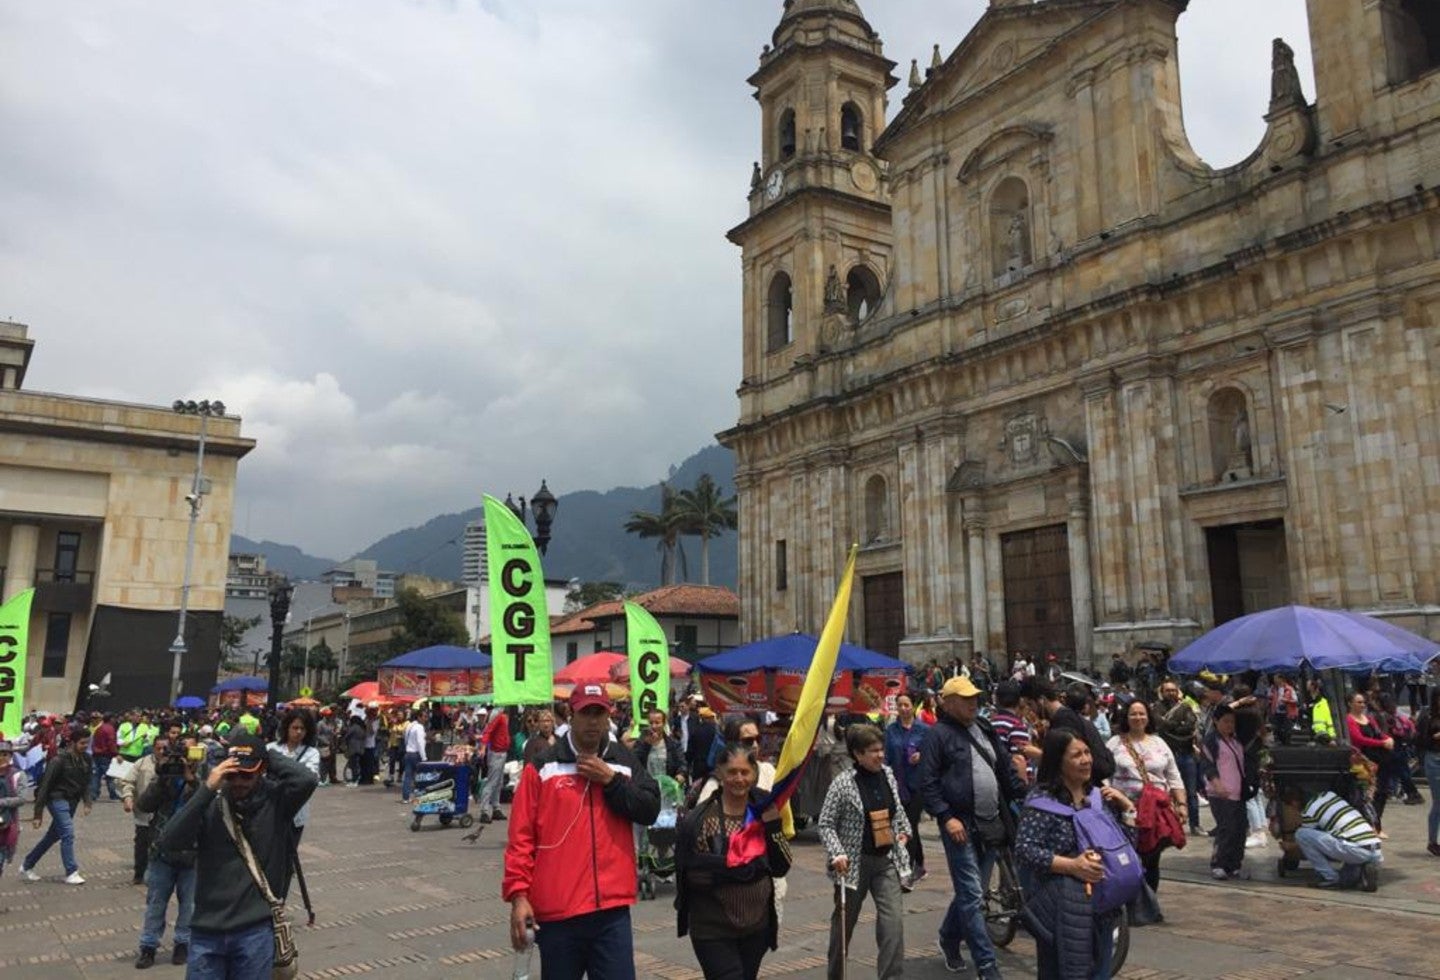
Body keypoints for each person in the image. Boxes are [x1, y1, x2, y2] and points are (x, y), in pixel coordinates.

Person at [502, 683, 661, 979]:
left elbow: (650, 808)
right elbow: (521, 838)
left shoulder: (621, 760)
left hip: (611, 913)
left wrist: (611, 781)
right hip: (558, 914)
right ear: (571, 714)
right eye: (586, 712)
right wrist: (519, 896)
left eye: (599, 713)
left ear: (608, 716)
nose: (593, 721)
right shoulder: (542, 767)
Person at [156, 731, 318, 978]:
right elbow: (169, 841)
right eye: (233, 774)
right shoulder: (210, 802)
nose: (239, 781)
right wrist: (207, 787)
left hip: (254, 930)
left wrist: (263, 751)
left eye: (247, 774)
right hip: (206, 931)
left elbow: (306, 779)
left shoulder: (276, 801)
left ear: (261, 770)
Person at [919, 676, 1026, 979]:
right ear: (948, 702)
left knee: (972, 892)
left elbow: (1004, 769)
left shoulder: (985, 728)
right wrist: (945, 815)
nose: (973, 703)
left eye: (975, 698)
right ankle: (987, 967)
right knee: (971, 894)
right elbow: (927, 782)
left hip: (991, 821)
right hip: (960, 824)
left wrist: (1024, 794)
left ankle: (948, 938)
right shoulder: (937, 736)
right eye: (965, 699)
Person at [1015, 727, 1137, 979]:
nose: (1086, 760)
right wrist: (1071, 865)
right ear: (1058, 762)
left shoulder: (1098, 796)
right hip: (1062, 907)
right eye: (1076, 755)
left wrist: (1128, 809)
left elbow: (1125, 844)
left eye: (1087, 752)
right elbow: (1025, 850)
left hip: (1102, 905)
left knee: (1099, 970)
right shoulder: (1042, 801)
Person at [675, 742, 791, 980]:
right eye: (732, 772)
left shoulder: (764, 810)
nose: (739, 779)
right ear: (720, 773)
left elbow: (781, 865)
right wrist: (739, 867)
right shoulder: (700, 819)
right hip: (713, 929)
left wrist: (771, 827)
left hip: (756, 927)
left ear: (755, 774)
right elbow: (693, 875)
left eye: (745, 772)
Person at [818, 724, 911, 980]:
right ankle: (836, 975)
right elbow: (825, 823)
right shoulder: (842, 783)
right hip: (852, 865)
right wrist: (837, 853)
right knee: (843, 929)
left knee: (893, 926)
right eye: (873, 751)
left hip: (886, 861)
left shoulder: (888, 775)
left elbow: (898, 809)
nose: (880, 755)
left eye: (881, 749)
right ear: (857, 754)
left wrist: (904, 831)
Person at [133, 729, 204, 968]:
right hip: (162, 850)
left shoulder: (206, 776)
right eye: (183, 751)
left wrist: (192, 780)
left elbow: (206, 806)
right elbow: (144, 805)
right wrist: (162, 779)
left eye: (192, 751)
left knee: (189, 905)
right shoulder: (166, 774)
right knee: (156, 903)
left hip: (192, 851)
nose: (187, 758)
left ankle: (182, 944)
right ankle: (148, 946)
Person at [1105, 699, 1185, 896]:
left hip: (1155, 811)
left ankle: (1149, 900)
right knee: (1128, 855)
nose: (1138, 718)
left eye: (1142, 714)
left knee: (1151, 857)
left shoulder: (1160, 743)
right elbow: (1104, 775)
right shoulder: (1114, 743)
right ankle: (1129, 899)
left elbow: (1174, 776)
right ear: (1126, 717)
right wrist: (1109, 795)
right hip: (1124, 810)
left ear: (1148, 717)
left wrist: (1181, 804)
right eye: (1133, 713)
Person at [19, 724, 92, 885]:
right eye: (82, 743)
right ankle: (71, 871)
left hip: (72, 800)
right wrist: (38, 814)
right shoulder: (58, 760)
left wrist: (87, 802)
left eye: (87, 743)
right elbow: (45, 786)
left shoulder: (86, 759)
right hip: (56, 798)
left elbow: (86, 782)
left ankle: (27, 865)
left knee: (53, 836)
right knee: (67, 833)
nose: (85, 746)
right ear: (72, 742)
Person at [121, 721, 184, 886]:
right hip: (143, 813)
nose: (162, 751)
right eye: (159, 748)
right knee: (141, 844)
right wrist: (128, 798)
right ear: (153, 747)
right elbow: (127, 781)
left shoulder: (177, 765)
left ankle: (156, 874)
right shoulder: (142, 763)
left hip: (164, 814)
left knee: (158, 843)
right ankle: (139, 873)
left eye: (165, 748)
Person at [1200, 704, 1252, 880]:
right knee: (1226, 829)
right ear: (1216, 721)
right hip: (1221, 793)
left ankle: (1234, 864)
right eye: (1226, 721)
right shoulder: (1211, 741)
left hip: (1238, 793)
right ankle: (1219, 864)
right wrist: (1217, 784)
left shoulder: (1235, 741)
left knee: (1240, 829)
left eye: (1232, 722)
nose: (1230, 725)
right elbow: (1207, 764)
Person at [1294, 788, 1382, 890]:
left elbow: (1309, 838)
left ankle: (1330, 877)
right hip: (1375, 848)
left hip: (1355, 849)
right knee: (1346, 880)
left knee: (1301, 834)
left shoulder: (1308, 811)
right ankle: (1365, 869)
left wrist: (1290, 845)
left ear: (1294, 802)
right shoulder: (1330, 795)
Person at [884, 692, 930, 883]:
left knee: (908, 825)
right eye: (900, 705)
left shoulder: (924, 730)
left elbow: (933, 755)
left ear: (913, 706)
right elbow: (886, 755)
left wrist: (922, 755)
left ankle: (907, 867)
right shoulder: (891, 730)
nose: (903, 709)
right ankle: (919, 864)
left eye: (906, 705)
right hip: (897, 783)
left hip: (916, 785)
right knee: (908, 826)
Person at [1152, 679, 1201, 835]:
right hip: (1167, 755)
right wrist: (1177, 726)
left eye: (1173, 690)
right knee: (1168, 792)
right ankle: (1172, 825)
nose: (1171, 693)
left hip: (1187, 754)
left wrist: (1174, 727)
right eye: (1167, 690)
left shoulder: (1185, 707)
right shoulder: (1156, 708)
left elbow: (1190, 726)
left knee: (1191, 792)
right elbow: (1161, 726)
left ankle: (1195, 824)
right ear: (1162, 692)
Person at [267, 708, 321, 849]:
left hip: (296, 814)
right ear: (286, 728)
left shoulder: (312, 753)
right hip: (270, 810)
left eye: (302, 728)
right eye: (295, 727)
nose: (298, 732)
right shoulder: (271, 749)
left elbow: (310, 778)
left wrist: (279, 766)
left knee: (288, 853)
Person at [1345, 691, 1395, 834]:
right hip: (1363, 762)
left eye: (1363, 702)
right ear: (1350, 704)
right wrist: (1381, 743)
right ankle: (1369, 826)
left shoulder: (1368, 718)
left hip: (1379, 760)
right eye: (1358, 702)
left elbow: (1379, 733)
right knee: (1367, 795)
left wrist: (1387, 739)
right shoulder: (1349, 719)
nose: (1362, 705)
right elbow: (1358, 739)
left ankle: (1377, 825)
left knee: (1382, 793)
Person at [0, 740, 27, 890]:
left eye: (5, 754)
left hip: (7, 825)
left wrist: (2, 802)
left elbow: (22, 798)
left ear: (10, 756)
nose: (1, 757)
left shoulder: (18, 775)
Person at [1416, 689, 1440, 857]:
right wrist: (1435, 737)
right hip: (1434, 759)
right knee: (1438, 801)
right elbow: (1420, 740)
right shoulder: (1427, 715)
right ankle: (1432, 841)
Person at [477, 706, 512, 823]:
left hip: (501, 752)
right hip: (497, 753)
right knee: (492, 782)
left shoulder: (501, 714)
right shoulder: (498, 715)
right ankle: (484, 811)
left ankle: (496, 808)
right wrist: (482, 747)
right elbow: (488, 730)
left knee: (498, 782)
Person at [89, 713, 121, 801]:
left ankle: (93, 794)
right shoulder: (110, 729)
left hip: (96, 754)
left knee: (96, 776)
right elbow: (111, 743)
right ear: (111, 719)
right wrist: (116, 753)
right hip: (106, 755)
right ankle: (113, 794)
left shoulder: (99, 728)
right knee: (110, 776)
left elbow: (94, 742)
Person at [398, 709, 426, 805]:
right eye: (424, 717)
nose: (425, 719)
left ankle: (406, 798)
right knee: (420, 776)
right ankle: (419, 797)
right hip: (415, 754)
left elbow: (405, 739)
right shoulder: (419, 727)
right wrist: (424, 757)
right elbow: (420, 743)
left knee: (408, 776)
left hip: (408, 752)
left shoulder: (409, 726)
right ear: (419, 717)